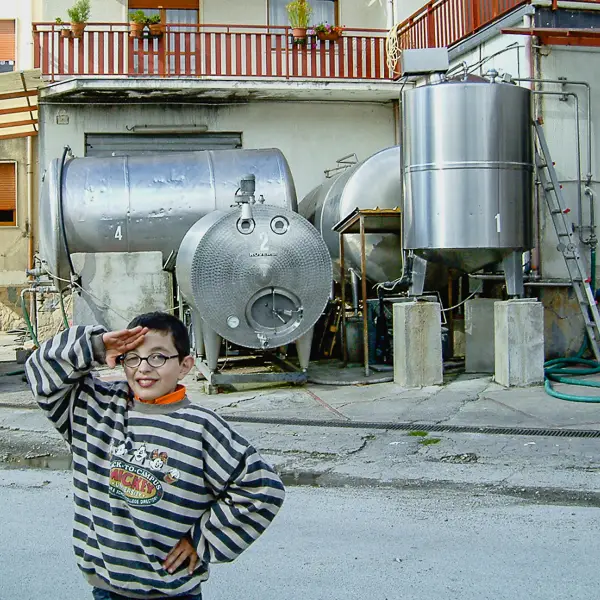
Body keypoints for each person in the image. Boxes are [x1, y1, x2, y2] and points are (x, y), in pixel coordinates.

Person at [25, 312, 285, 599]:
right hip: (107, 588)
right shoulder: (93, 409)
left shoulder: (201, 428)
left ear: (184, 365)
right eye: (132, 357)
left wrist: (201, 539)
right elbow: (40, 370)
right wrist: (97, 346)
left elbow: (262, 489)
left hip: (173, 591)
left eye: (158, 357)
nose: (143, 368)